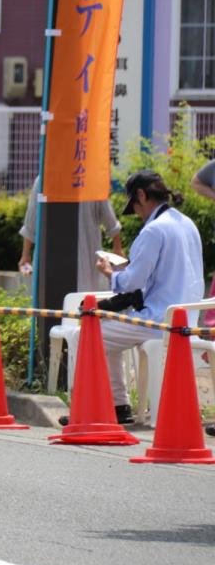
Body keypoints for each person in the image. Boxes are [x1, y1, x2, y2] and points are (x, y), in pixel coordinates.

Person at [79, 171, 204, 427]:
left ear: (141, 195)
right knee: (104, 333)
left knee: (94, 333)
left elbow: (132, 282)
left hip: (158, 321)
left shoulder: (154, 230)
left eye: (135, 206)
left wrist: (110, 272)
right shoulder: (186, 223)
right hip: (186, 319)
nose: (137, 212)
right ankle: (118, 405)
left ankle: (113, 406)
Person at [18, 175, 124, 292]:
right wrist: (117, 247)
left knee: (51, 302)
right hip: (85, 262)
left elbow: (31, 220)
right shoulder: (89, 176)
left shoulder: (45, 177)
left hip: (51, 260)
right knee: (83, 301)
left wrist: (25, 255)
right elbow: (109, 219)